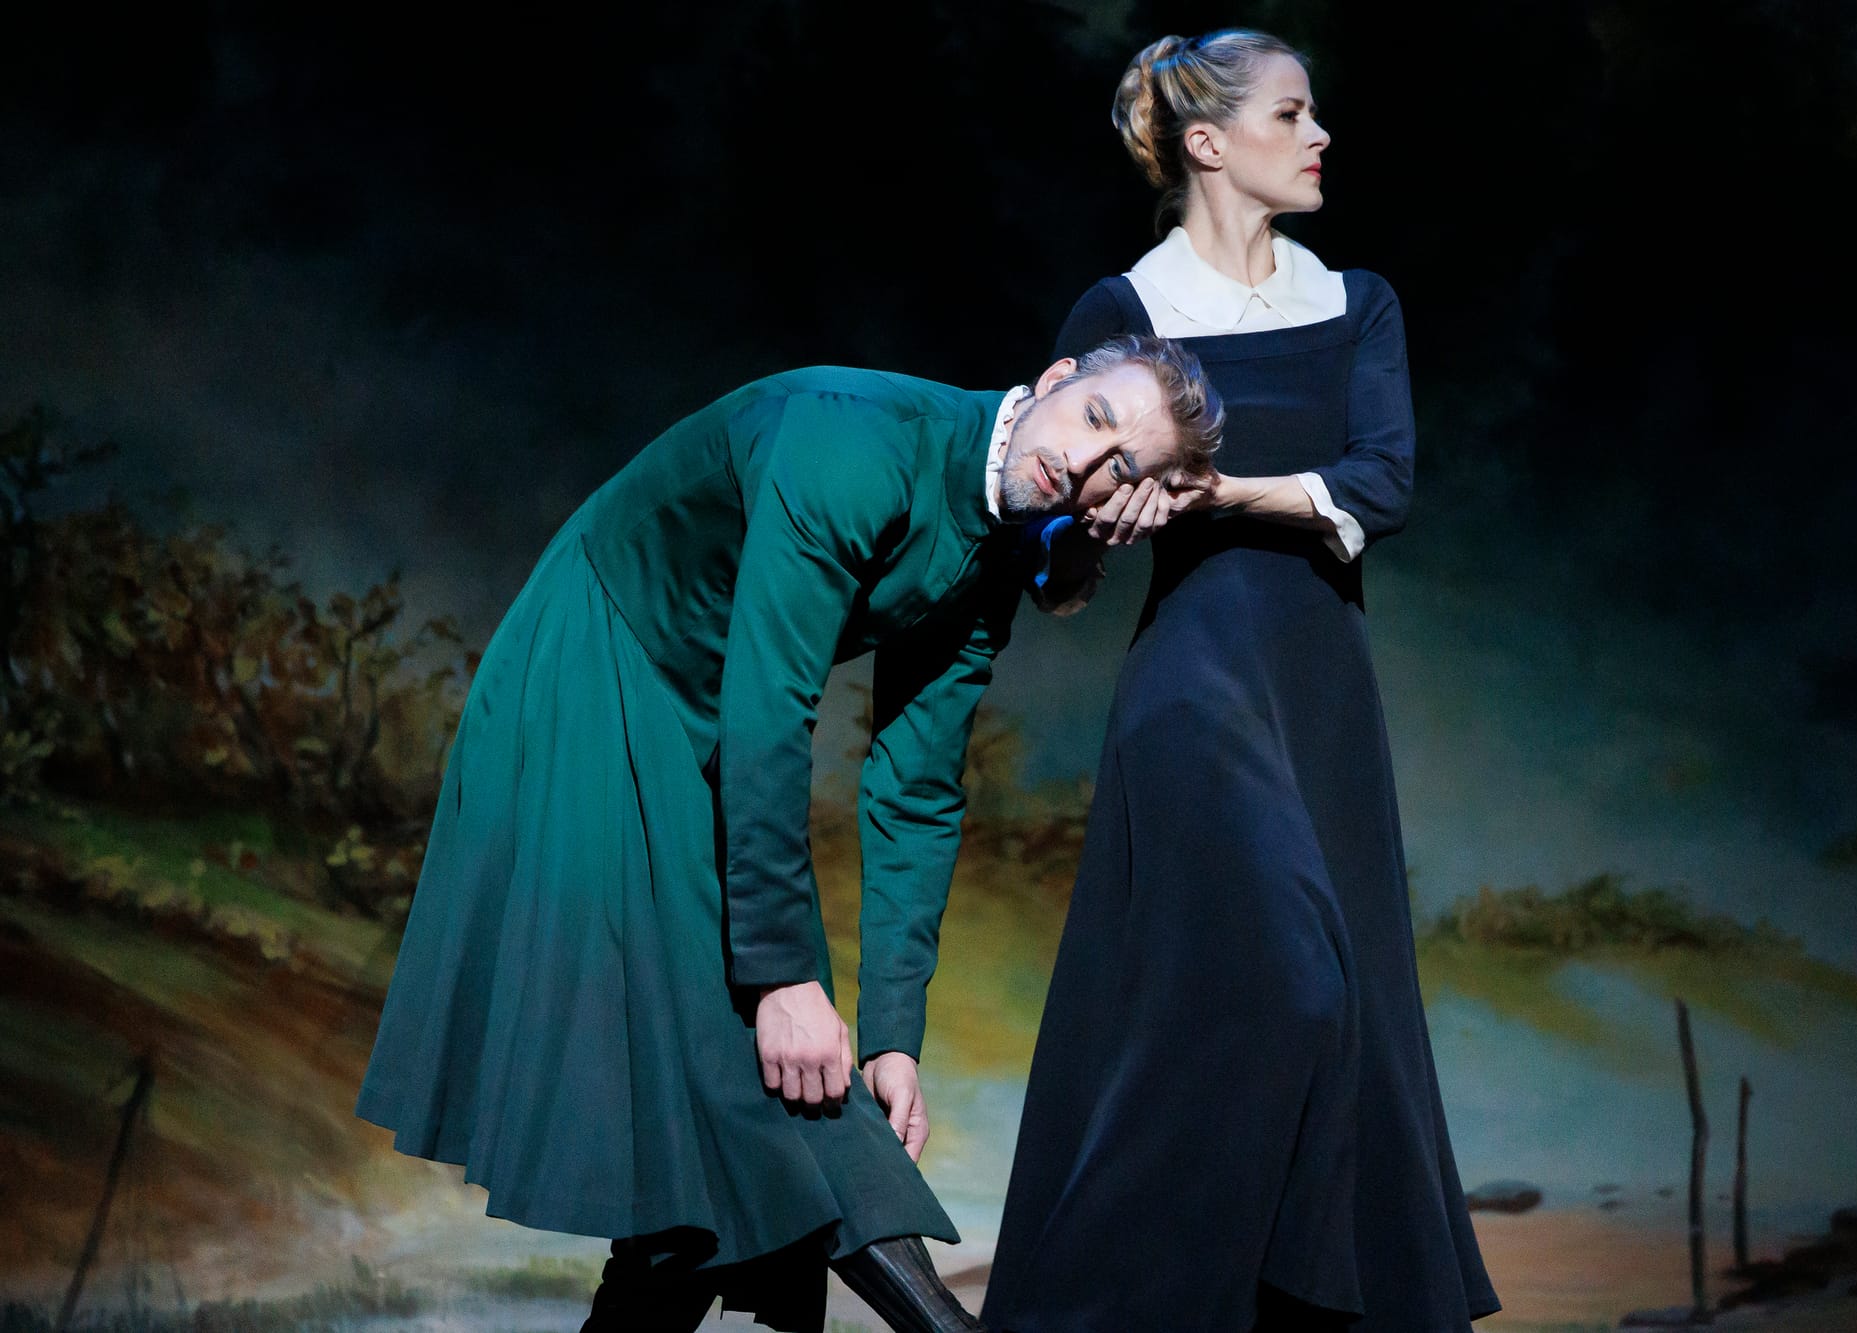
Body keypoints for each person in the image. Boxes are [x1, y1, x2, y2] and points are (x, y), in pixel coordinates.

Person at [354, 342, 1221, 1333]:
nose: (1085, 460)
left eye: (1122, 465)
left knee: (747, 1114)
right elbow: (771, 706)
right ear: (1057, 379)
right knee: (747, 1072)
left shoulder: (993, 554)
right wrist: (779, 976)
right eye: (1096, 417)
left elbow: (916, 789)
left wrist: (892, 1034)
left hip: (709, 719)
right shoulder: (855, 448)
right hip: (597, 670)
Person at [982, 30, 1500, 1332]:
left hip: (1322, 689)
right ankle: (1110, 1301)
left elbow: (1383, 482)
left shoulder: (1355, 303)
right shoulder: (1123, 310)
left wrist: (1217, 490)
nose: (1318, 136)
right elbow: (1043, 555)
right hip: (1196, 680)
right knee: (1273, 983)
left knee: (1343, 1001)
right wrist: (1087, 532)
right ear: (1208, 143)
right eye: (1291, 113)